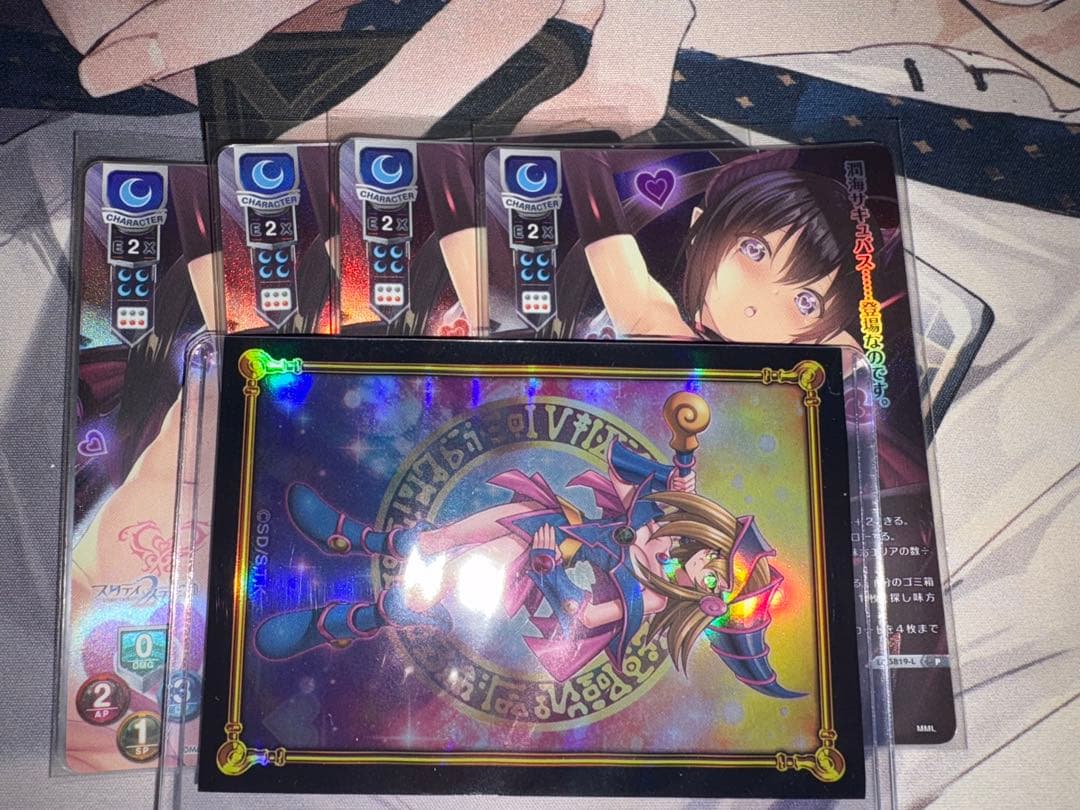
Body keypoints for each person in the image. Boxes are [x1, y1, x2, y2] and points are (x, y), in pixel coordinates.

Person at [254, 437, 802, 699]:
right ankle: (366, 540)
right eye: (719, 555)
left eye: (716, 579)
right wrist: (676, 468)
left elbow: (585, 617)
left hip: (540, 585)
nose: (709, 564)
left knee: (472, 567)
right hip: (556, 533)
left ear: (708, 601)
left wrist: (547, 567)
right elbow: (650, 483)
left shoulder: (656, 596)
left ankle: (348, 620)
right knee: (517, 515)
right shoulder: (671, 529)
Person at [563, 148, 898, 349]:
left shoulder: (816, 365)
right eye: (754, 251)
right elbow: (585, 161)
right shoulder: (658, 326)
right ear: (699, 229)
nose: (758, 304)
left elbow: (850, 350)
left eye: (806, 301)